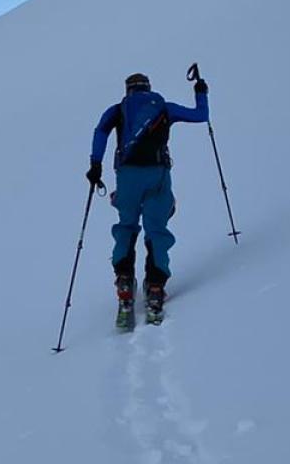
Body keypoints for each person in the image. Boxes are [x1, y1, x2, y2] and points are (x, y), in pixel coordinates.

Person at [87, 72, 208, 326]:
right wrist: (200, 91)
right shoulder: (163, 107)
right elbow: (200, 116)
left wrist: (95, 166)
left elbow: (100, 132)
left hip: (127, 176)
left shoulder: (118, 110)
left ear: (128, 90)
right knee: (157, 230)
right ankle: (154, 288)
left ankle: (124, 282)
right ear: (148, 88)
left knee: (126, 227)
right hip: (158, 175)